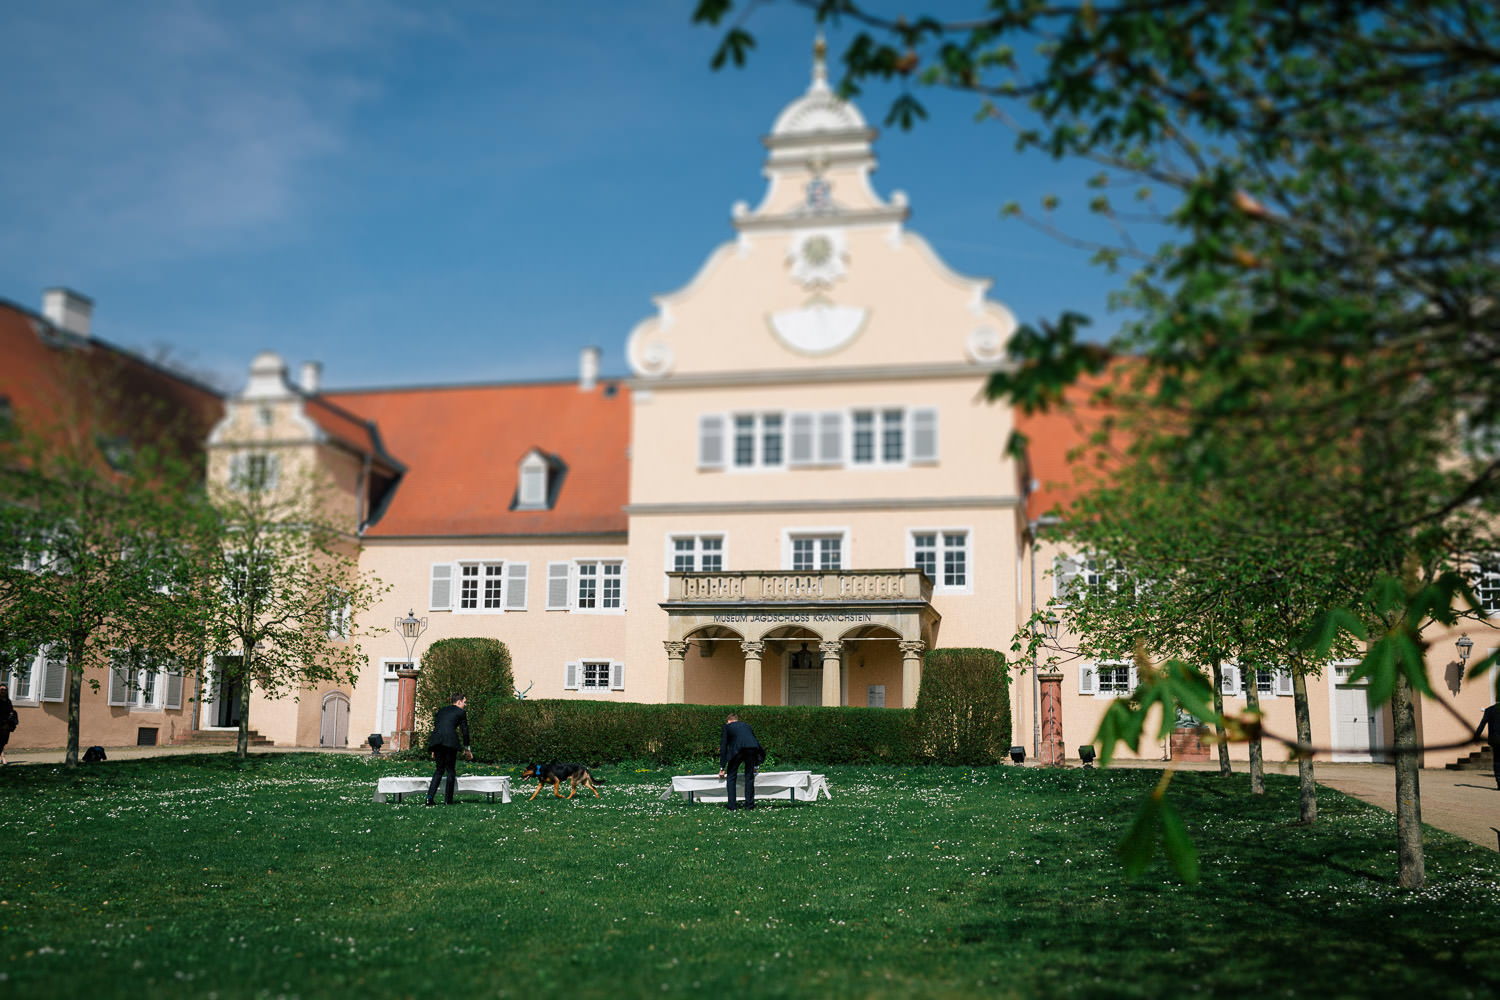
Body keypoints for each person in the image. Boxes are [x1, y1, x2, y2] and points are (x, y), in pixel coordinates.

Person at [426, 692, 472, 806]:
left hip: (436, 742)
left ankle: (429, 798)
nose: (465, 705)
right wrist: (467, 749)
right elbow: (465, 731)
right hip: (450, 742)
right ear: (459, 702)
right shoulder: (461, 712)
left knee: (439, 770)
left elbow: (437, 727)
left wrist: (433, 749)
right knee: (450, 770)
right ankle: (448, 801)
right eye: (464, 702)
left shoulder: (441, 711)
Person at [718, 712, 765, 811]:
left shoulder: (727, 727)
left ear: (728, 721)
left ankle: (732, 806)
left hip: (737, 750)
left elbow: (723, 747)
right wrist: (756, 764)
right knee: (749, 777)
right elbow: (754, 741)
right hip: (752, 749)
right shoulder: (747, 726)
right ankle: (749, 806)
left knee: (731, 777)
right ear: (737, 720)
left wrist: (722, 767)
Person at [1476, 700, 1500, 790]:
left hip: (1495, 740)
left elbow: (1482, 724)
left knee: (1497, 760)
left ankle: (1499, 779)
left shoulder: (1489, 710)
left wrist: (1476, 736)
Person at [0, 688, 15, 765]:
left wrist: (11, 714)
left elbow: (11, 710)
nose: (3, 691)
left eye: (5, 690)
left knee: (3, 741)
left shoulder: (8, 701)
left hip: (6, 724)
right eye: (1, 689)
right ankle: (3, 757)